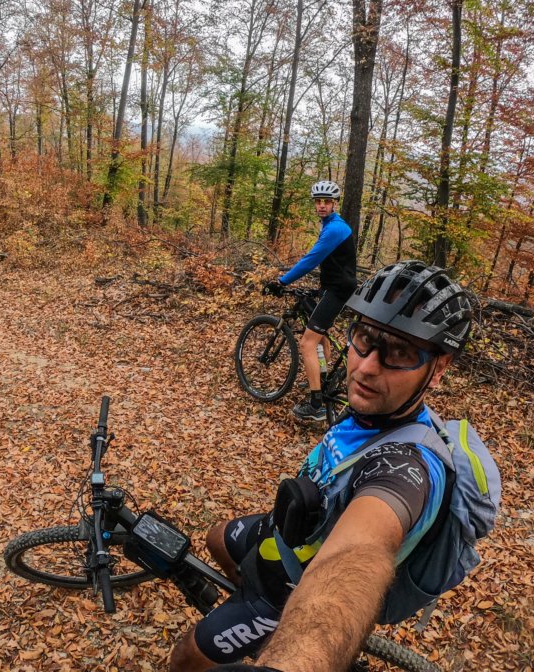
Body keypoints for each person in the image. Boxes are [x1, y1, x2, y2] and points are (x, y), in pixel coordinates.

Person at [171, 261, 489, 672]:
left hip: (290, 585)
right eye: (365, 338)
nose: (367, 367)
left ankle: (267, 618)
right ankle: (252, 617)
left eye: (400, 353)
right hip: (279, 536)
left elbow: (360, 552)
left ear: (438, 369)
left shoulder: (405, 467)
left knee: (186, 657)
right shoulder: (373, 411)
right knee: (216, 538)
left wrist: (295, 657)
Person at [263, 180, 357, 422]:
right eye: (318, 201)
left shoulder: (335, 228)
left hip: (338, 291)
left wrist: (281, 282)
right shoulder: (330, 225)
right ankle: (322, 379)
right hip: (333, 288)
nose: (322, 205)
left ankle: (316, 405)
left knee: (307, 343)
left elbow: (310, 260)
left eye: (327, 202)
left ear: (335, 203)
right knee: (321, 337)